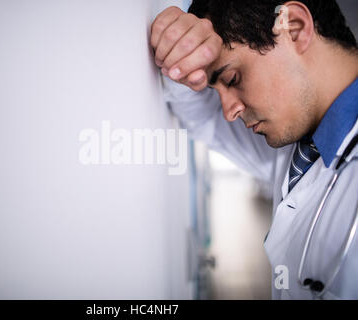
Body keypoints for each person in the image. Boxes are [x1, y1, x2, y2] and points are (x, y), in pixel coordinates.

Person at [151, 0, 358, 299]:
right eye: (217, 89)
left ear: (294, 28)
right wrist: (183, 55)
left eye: (233, 79)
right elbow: (204, 117)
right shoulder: (300, 146)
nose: (229, 111)